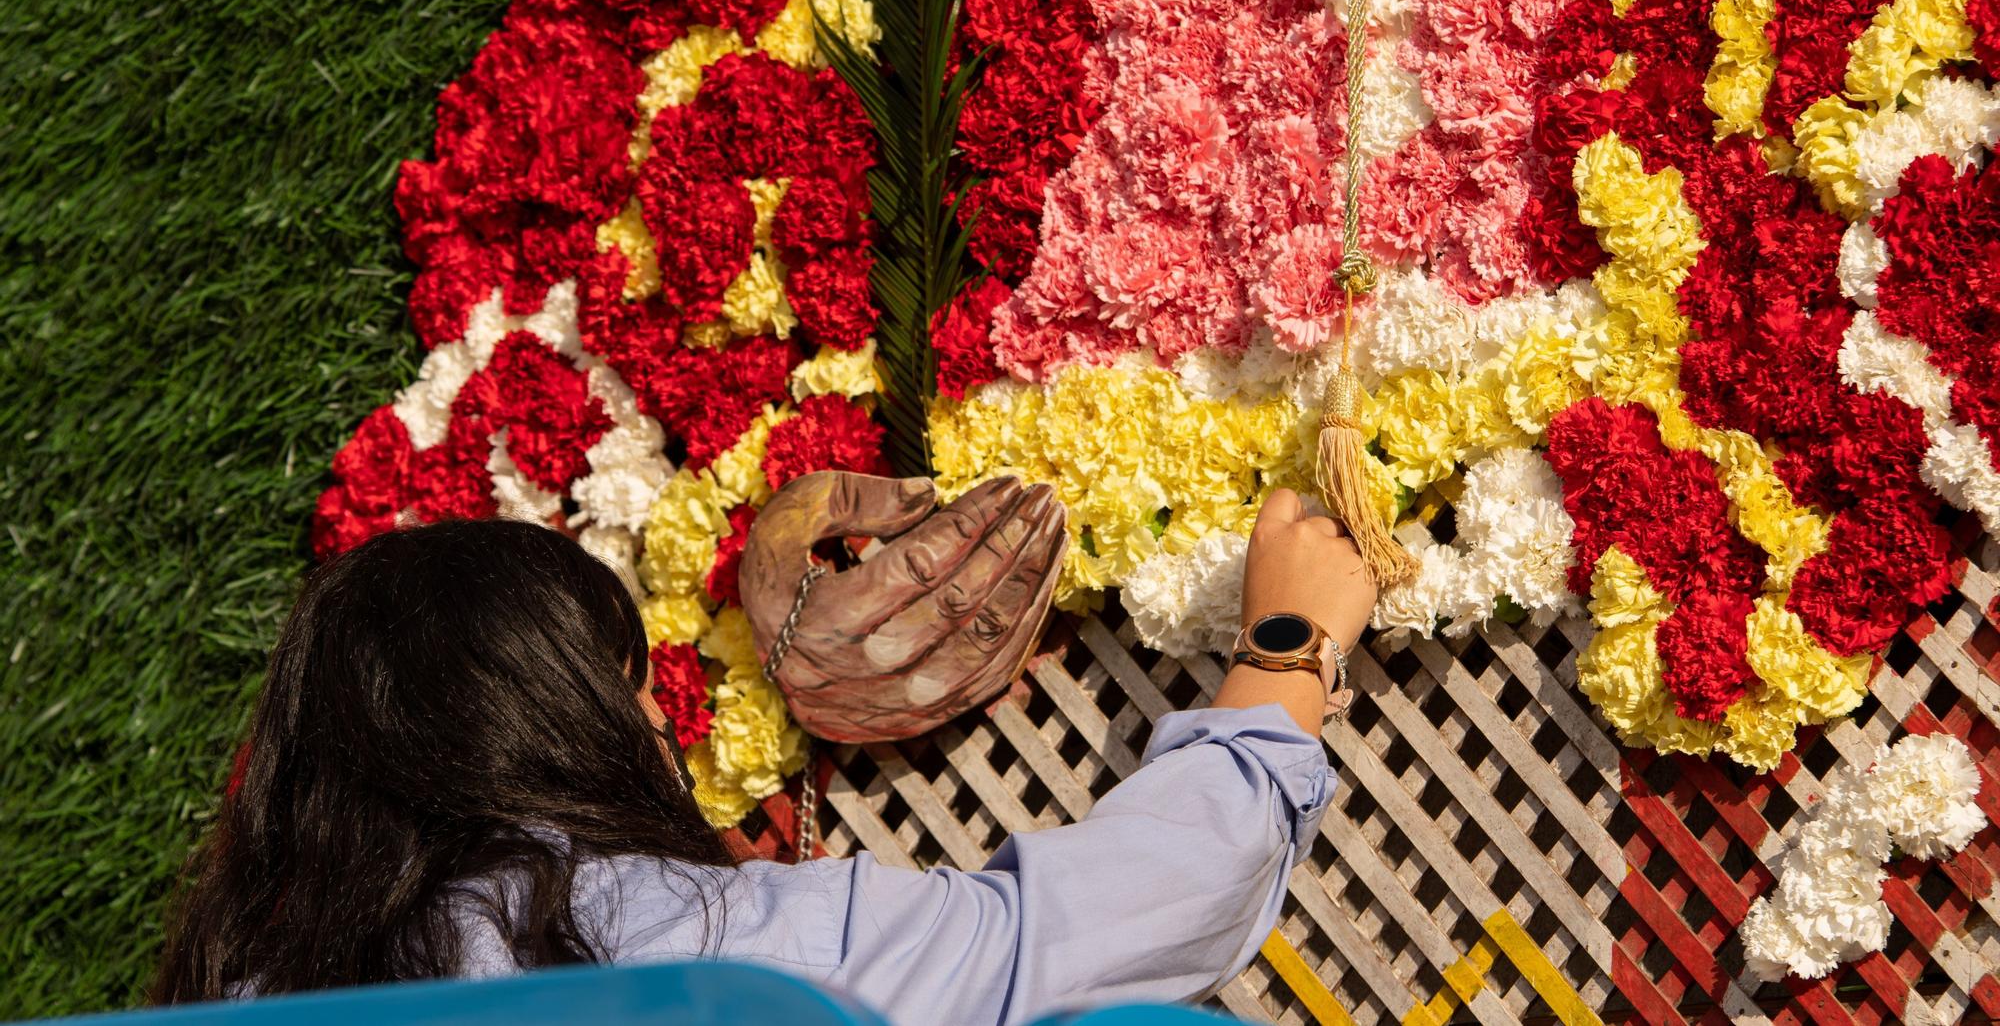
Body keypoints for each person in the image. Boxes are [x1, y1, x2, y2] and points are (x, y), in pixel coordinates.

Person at [153, 473, 1377, 1024]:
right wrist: (1285, 648)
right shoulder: (698, 946)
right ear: (559, 719)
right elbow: (1078, 934)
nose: (660, 728)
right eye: (630, 692)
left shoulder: (244, 990)